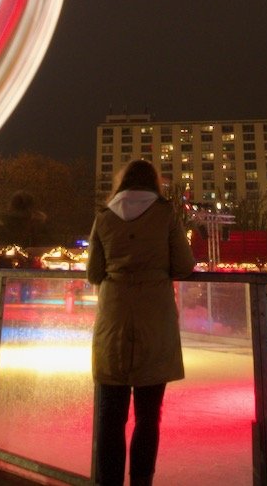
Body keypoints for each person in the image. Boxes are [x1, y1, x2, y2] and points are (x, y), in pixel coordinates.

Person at [87, 159, 195, 486]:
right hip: (154, 324)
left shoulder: (104, 218)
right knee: (148, 417)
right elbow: (184, 265)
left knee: (110, 416)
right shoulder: (165, 214)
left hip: (114, 324)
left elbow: (93, 272)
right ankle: (142, 481)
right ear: (153, 183)